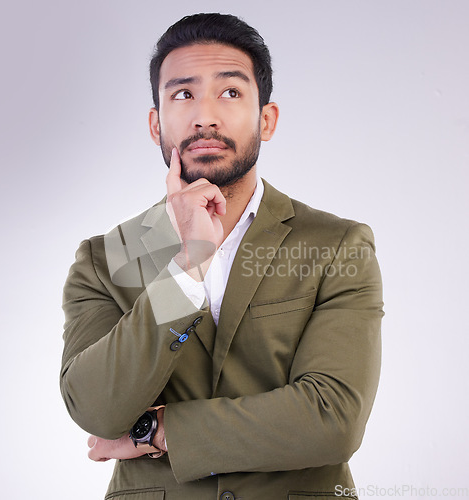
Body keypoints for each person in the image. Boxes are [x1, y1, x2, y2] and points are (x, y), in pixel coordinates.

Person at [61, 12, 383, 500]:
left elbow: (333, 418)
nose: (205, 115)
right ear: (156, 124)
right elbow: (96, 409)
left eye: (230, 92)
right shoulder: (104, 260)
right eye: (183, 94)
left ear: (266, 119)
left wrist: (158, 431)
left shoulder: (337, 246)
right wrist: (187, 269)